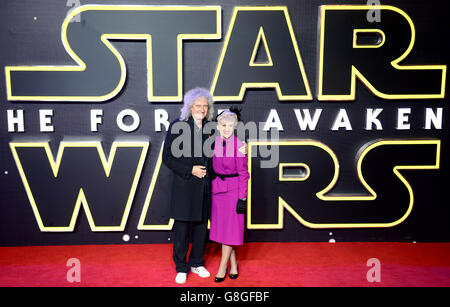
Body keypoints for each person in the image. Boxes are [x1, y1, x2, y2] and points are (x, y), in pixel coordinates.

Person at [162, 87, 214, 284]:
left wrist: (240, 147)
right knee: (182, 230)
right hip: (185, 186)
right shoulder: (178, 125)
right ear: (189, 107)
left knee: (201, 228)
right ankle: (181, 267)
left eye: (205, 106)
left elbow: (225, 141)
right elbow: (166, 157)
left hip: (205, 188)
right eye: (198, 105)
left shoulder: (211, 127)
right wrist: (190, 170)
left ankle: (197, 263)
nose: (201, 109)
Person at [209, 108, 249, 282]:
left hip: (233, 192)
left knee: (229, 232)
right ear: (218, 126)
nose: (226, 129)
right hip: (217, 191)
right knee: (225, 231)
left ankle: (222, 267)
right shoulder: (214, 142)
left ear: (235, 126)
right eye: (223, 125)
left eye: (230, 125)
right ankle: (234, 264)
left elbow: (244, 174)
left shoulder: (240, 146)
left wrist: (243, 197)